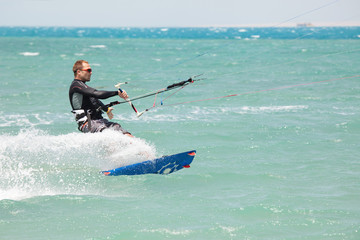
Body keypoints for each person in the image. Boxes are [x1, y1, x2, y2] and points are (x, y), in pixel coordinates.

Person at [69, 60, 132, 136]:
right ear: (78, 72)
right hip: (88, 123)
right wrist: (117, 93)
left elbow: (95, 101)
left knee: (124, 133)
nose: (91, 72)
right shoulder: (76, 86)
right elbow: (97, 94)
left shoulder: (83, 87)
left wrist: (107, 109)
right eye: (88, 70)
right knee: (111, 135)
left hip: (99, 121)